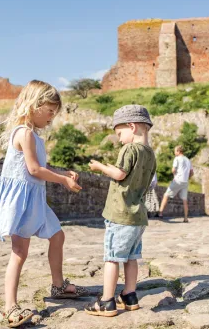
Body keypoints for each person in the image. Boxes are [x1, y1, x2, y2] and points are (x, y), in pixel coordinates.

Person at [0, 80, 88, 327]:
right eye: (49, 112)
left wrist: (64, 176)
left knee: (57, 236)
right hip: (20, 202)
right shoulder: (24, 133)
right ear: (34, 106)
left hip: (34, 197)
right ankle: (10, 306)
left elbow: (39, 169)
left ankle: (58, 286)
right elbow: (34, 169)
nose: (51, 118)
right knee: (19, 253)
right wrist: (62, 181)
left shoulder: (34, 135)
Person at [85, 105, 156, 317]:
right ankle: (129, 295)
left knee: (113, 258)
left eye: (120, 133)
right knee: (132, 256)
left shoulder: (129, 149)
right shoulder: (150, 154)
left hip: (120, 214)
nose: (119, 139)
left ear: (132, 127)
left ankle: (106, 301)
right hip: (138, 216)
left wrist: (100, 167)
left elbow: (119, 173)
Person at [157, 145, 193, 222]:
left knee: (166, 195)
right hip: (185, 182)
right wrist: (187, 177)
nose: (174, 152)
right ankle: (186, 218)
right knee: (184, 200)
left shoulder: (177, 159)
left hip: (177, 180)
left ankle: (160, 213)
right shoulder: (188, 160)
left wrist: (175, 175)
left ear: (179, 151)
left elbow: (173, 170)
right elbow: (192, 173)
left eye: (175, 151)